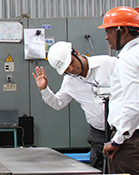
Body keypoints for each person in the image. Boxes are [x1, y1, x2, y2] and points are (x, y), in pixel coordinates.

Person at [32, 41, 117, 170]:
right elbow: (58, 103)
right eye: (66, 69)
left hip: (122, 130)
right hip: (98, 135)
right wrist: (44, 89)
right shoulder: (70, 82)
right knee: (98, 169)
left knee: (125, 167)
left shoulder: (108, 64)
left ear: (76, 53)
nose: (72, 69)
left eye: (71, 63)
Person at [98, 6, 139, 175]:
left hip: (131, 142)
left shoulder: (128, 59)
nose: (106, 37)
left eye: (109, 31)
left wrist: (117, 141)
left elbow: (134, 106)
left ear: (122, 30)